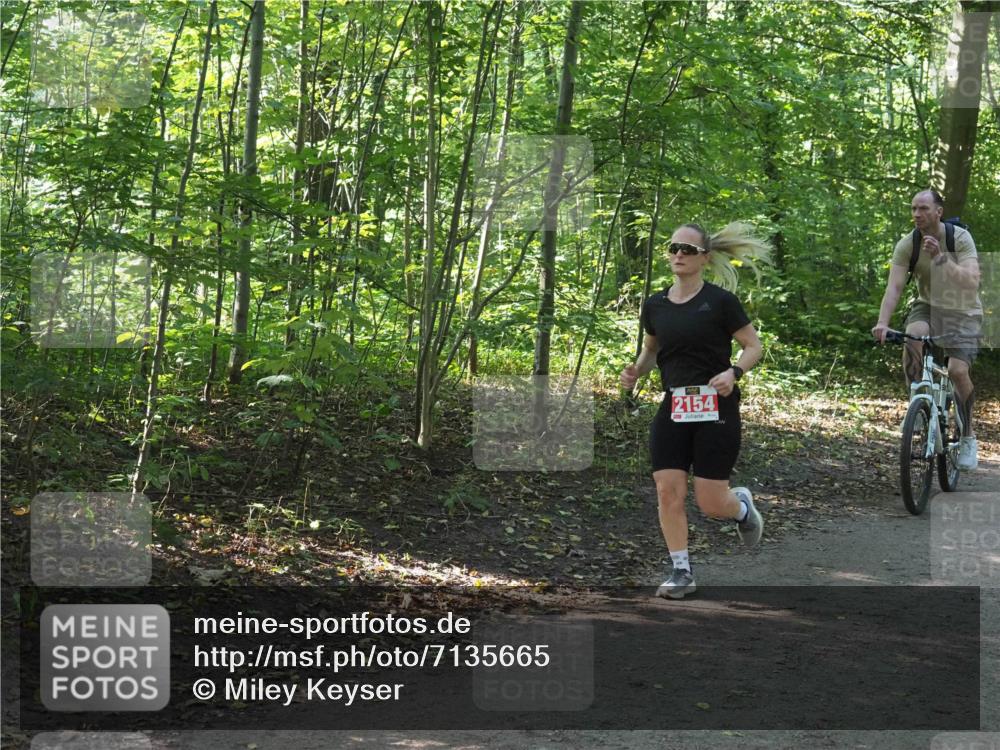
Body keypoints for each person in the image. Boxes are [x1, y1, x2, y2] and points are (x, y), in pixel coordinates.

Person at [621, 222, 769, 600]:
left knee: (709, 502)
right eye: (674, 248)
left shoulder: (720, 302)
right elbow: (653, 351)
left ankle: (741, 510)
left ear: (705, 257)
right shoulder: (654, 305)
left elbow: (753, 346)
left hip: (715, 407)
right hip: (674, 404)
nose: (679, 255)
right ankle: (681, 570)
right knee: (667, 491)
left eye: (688, 250)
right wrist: (637, 370)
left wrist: (734, 372)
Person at [872, 189, 982, 470]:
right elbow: (894, 287)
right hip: (929, 307)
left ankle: (968, 435)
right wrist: (883, 322)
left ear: (938, 212)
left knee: (957, 371)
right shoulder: (908, 244)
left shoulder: (959, 239)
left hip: (964, 310)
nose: (916, 214)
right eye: (913, 209)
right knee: (913, 337)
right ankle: (916, 402)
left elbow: (971, 282)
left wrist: (942, 258)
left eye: (922, 208)